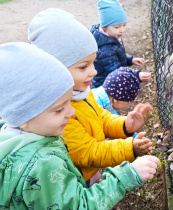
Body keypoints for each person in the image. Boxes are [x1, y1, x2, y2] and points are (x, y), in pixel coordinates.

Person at [0, 42, 160, 209]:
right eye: (59, 110)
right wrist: (126, 176)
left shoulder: (28, 131)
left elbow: (99, 116)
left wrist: (124, 125)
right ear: (23, 115)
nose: (71, 112)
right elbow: (79, 205)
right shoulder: (43, 166)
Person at [28, 8, 153, 187]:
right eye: (83, 67)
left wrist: (124, 125)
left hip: (89, 170)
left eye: (93, 63)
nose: (94, 72)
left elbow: (99, 116)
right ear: (55, 69)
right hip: (76, 178)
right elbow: (87, 151)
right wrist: (129, 147)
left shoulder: (79, 92)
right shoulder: (57, 113)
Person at [90, 0, 151, 88]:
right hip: (107, 89)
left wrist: (130, 60)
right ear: (104, 26)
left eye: (124, 25)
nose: (122, 30)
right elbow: (116, 72)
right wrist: (137, 75)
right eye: (117, 27)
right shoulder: (105, 50)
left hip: (113, 84)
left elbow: (115, 58)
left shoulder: (111, 36)